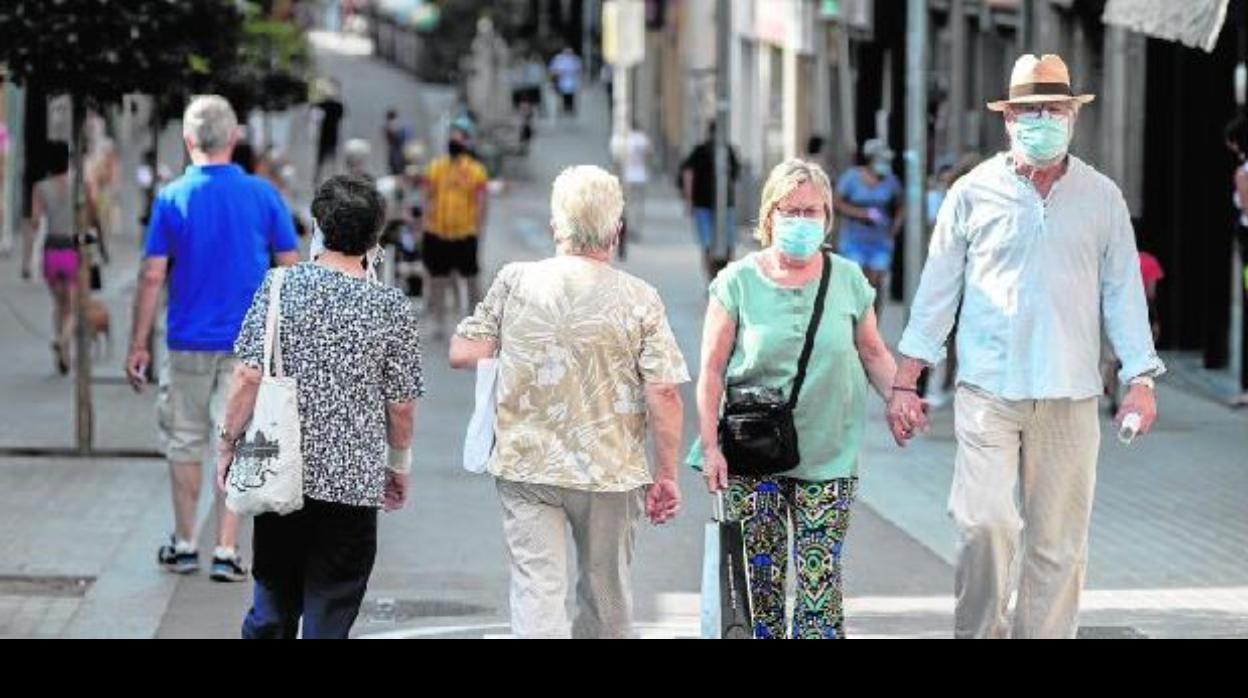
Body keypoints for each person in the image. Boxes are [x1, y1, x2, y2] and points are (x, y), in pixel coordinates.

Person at [891, 54, 1165, 639]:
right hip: (989, 389)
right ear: (1008, 120)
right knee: (984, 524)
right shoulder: (972, 193)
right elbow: (937, 290)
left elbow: (1123, 293)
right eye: (1031, 111)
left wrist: (1141, 379)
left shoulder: (1102, 197)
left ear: (1073, 116)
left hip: (1071, 392)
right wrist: (904, 380)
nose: (1043, 119)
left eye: (1055, 109)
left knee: (1058, 546)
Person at [449, 165, 688, 638]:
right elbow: (663, 390)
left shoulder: (516, 281)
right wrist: (666, 475)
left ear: (556, 227)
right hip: (611, 472)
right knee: (607, 593)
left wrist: (516, 343)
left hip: (527, 466)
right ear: (616, 232)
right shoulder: (640, 297)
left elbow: (462, 351)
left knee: (537, 589)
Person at [690, 158, 898, 639]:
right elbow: (711, 371)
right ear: (769, 216)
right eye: (791, 210)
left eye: (812, 211)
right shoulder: (736, 282)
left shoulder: (847, 279)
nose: (802, 221)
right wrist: (710, 447)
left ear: (827, 217)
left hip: (828, 455)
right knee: (760, 592)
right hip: (752, 455)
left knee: (819, 590)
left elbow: (873, 352)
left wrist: (899, 398)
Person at [219, 174, 425, 639]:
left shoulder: (278, 287)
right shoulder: (390, 306)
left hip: (278, 470)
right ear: (375, 238)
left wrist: (227, 444)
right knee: (330, 613)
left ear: (317, 227)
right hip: (352, 483)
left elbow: (247, 376)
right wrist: (399, 466)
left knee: (272, 604)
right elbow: (402, 404)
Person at [125, 95, 300, 583]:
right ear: (235, 138)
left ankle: (183, 545)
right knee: (238, 439)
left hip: (186, 342)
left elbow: (151, 275)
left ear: (188, 140)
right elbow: (290, 271)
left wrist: (138, 343)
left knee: (184, 440)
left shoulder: (171, 197)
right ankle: (226, 549)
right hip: (248, 345)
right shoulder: (264, 196)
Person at [423, 126, 489, 339]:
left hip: (465, 233)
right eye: (452, 139)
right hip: (438, 233)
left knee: (471, 279)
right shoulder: (436, 168)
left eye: (458, 140)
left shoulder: (476, 171)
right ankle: (439, 321)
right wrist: (426, 223)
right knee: (438, 279)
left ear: (465, 144)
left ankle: (475, 321)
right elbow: (428, 196)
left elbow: (481, 202)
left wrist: (478, 228)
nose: (454, 143)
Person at [21, 142, 79, 375]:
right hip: (71, 249)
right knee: (72, 308)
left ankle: (62, 351)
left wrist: (27, 259)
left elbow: (35, 222)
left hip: (51, 250)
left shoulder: (40, 188)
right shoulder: (78, 184)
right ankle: (64, 341)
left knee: (59, 304)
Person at [834, 138, 904, 312]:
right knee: (857, 283)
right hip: (854, 239)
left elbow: (901, 204)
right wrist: (860, 213)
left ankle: (873, 327)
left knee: (875, 284)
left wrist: (895, 226)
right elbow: (836, 202)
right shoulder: (851, 178)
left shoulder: (890, 181)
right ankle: (854, 324)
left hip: (880, 240)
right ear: (870, 159)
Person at [679, 121, 741, 280]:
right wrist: (689, 200)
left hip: (708, 205)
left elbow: (688, 175)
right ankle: (720, 281)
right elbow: (735, 177)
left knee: (712, 245)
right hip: (711, 205)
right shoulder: (721, 150)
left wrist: (689, 200)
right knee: (720, 245)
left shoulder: (719, 150)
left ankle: (715, 281)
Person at [548, 48, 584, 118]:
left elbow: (579, 69)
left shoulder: (575, 59)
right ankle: (562, 109)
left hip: (572, 81)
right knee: (561, 96)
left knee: (571, 96)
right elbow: (553, 70)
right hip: (561, 81)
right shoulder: (559, 59)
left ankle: (570, 109)